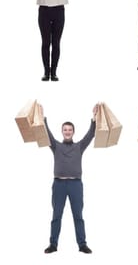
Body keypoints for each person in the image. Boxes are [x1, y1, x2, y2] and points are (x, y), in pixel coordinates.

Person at [40, 103, 98, 254]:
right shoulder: (55, 146)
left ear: (73, 132)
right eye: (65, 130)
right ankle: (53, 245)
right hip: (58, 184)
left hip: (75, 185)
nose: (67, 132)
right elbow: (46, 134)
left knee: (78, 216)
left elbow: (91, 134)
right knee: (56, 215)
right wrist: (42, 116)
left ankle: (82, 244)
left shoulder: (79, 146)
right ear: (62, 132)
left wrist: (94, 117)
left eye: (70, 130)